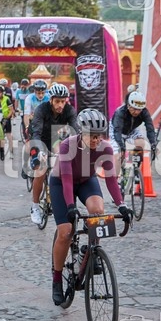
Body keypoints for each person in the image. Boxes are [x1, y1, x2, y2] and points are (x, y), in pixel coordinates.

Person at [50, 108, 133, 305]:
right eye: (92, 136)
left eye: (99, 136)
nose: (97, 140)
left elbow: (111, 179)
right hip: (61, 183)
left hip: (86, 180)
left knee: (98, 212)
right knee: (66, 232)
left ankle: (90, 251)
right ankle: (57, 279)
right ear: (81, 133)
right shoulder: (67, 146)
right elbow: (67, 180)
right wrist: (71, 206)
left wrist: (121, 205)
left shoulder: (105, 149)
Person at [28, 83, 78, 225]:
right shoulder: (41, 110)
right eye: (57, 101)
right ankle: (35, 206)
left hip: (56, 139)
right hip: (39, 139)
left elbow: (76, 131)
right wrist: (39, 152)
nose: (60, 105)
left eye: (63, 101)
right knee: (41, 169)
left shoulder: (69, 110)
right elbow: (36, 133)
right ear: (50, 100)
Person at [109, 90, 157, 176]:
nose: (137, 112)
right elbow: (117, 131)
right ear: (128, 105)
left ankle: (135, 168)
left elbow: (150, 129)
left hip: (131, 130)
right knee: (118, 155)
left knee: (141, 143)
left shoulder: (144, 112)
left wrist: (153, 144)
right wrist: (122, 147)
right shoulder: (120, 112)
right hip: (116, 131)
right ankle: (115, 180)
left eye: (139, 109)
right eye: (134, 109)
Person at [0, 85, 14, 159]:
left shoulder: (7, 99)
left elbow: (11, 110)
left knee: (9, 136)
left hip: (6, 118)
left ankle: (11, 152)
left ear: (3, 93)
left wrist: (7, 118)